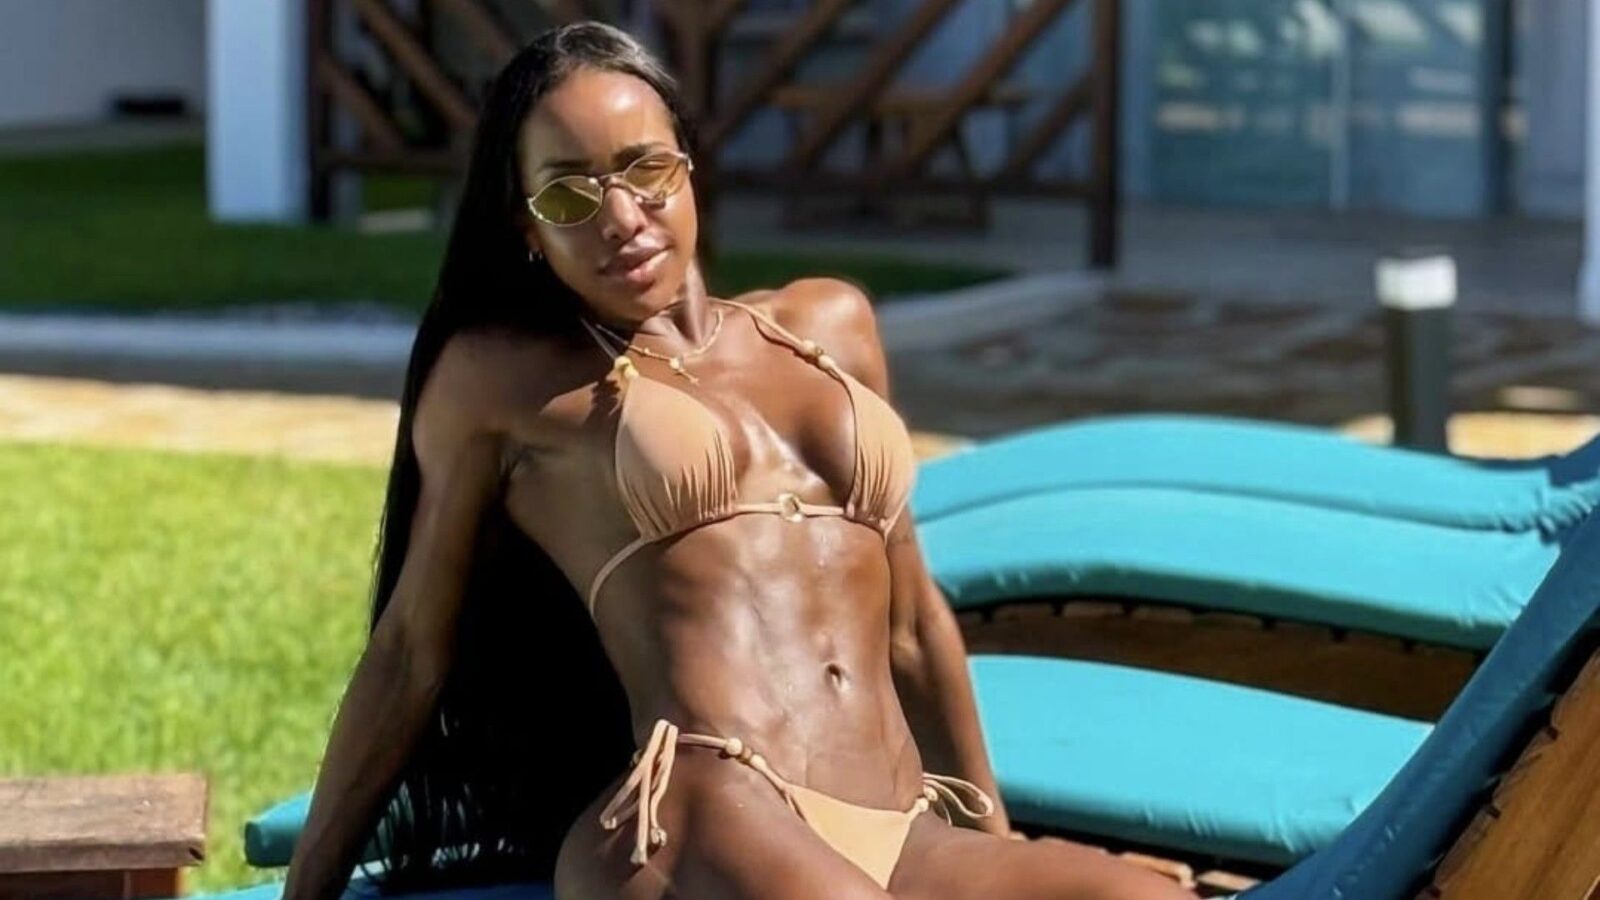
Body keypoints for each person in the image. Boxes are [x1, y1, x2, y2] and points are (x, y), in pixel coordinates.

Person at [282, 21, 1198, 900]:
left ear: (689, 166)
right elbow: (410, 649)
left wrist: (991, 842)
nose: (622, 217)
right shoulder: (506, 381)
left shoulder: (830, 326)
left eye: (645, 169)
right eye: (568, 195)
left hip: (892, 828)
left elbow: (913, 626)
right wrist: (306, 892)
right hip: (693, 821)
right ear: (526, 227)